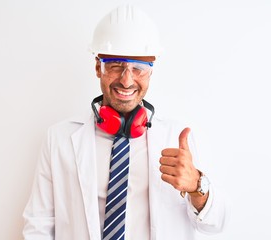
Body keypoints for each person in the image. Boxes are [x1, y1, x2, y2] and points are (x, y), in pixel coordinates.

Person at [23, 4, 227, 240]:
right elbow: (37, 227)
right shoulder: (58, 139)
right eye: (115, 65)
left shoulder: (177, 137)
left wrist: (196, 185)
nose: (127, 80)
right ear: (98, 68)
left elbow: (216, 224)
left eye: (139, 68)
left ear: (151, 72)